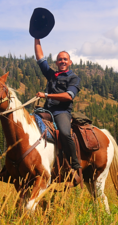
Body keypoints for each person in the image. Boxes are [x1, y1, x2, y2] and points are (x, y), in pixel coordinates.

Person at [34, 39, 82, 184]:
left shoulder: (74, 78)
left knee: (65, 133)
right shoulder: (52, 75)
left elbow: (68, 96)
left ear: (70, 62)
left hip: (61, 112)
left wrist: (47, 95)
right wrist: (37, 38)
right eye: (60, 59)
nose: (62, 61)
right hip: (46, 110)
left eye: (65, 59)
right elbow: (40, 58)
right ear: (56, 63)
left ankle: (74, 164)